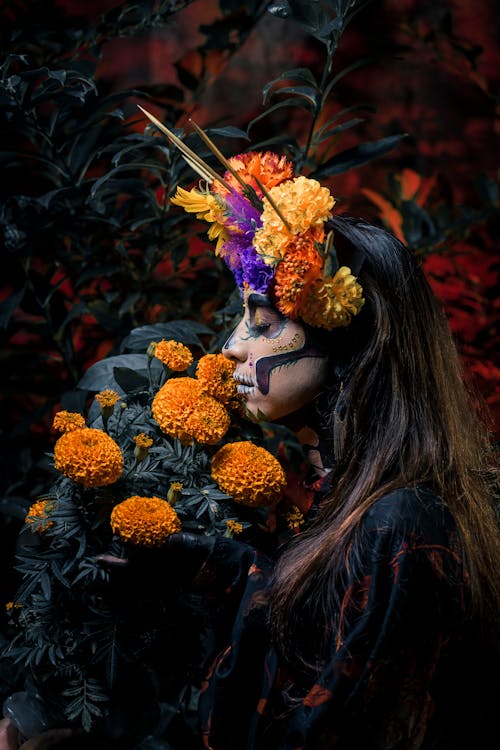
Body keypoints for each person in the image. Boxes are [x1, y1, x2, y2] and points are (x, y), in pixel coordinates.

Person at [2, 146, 499, 749]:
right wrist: (209, 562)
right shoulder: (352, 492)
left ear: (350, 339)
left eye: (262, 324)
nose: (233, 347)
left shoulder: (401, 524)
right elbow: (316, 623)